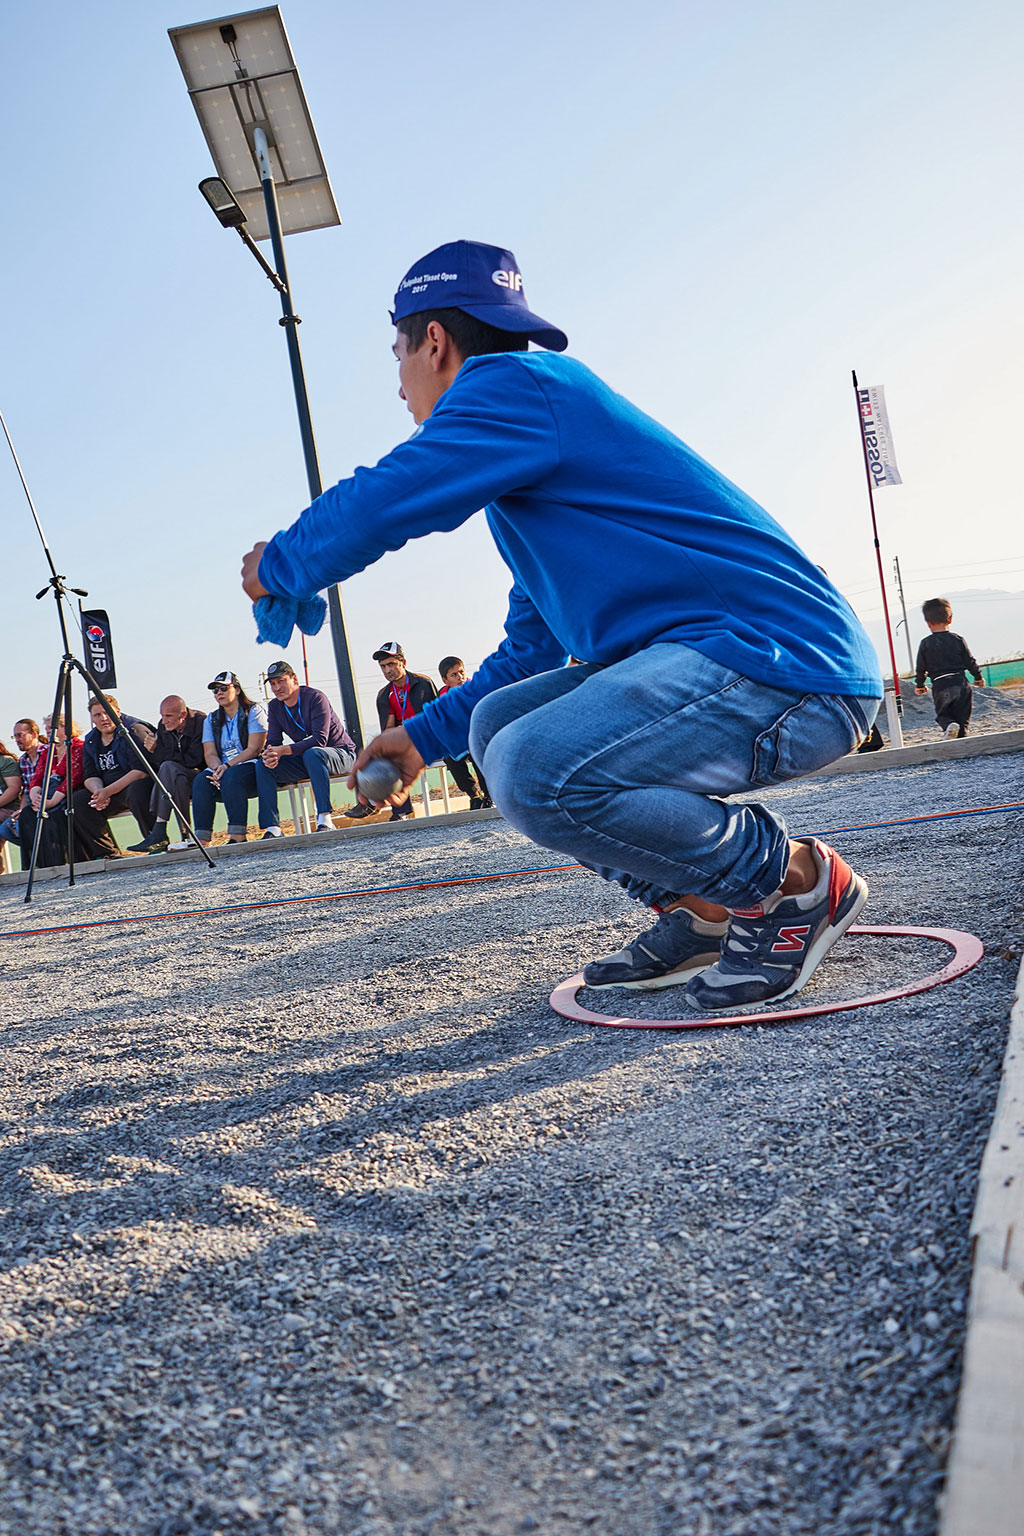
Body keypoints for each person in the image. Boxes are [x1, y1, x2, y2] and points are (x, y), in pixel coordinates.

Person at [242, 238, 882, 1012]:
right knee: (497, 726)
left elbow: (389, 497)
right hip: (736, 668)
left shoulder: (517, 384)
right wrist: (421, 738)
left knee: (534, 768)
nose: (399, 382)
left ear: (434, 342)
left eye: (397, 354)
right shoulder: (539, 466)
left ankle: (789, 883)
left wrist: (281, 565)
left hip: (784, 669)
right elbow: (529, 650)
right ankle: (705, 909)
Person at [257, 660, 356, 835]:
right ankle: (273, 827)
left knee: (313, 753)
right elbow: (273, 740)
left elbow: (320, 739)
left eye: (281, 681)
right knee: (262, 765)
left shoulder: (315, 697)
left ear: (294, 679)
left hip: (341, 754)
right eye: (272, 683)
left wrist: (283, 750)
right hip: (308, 758)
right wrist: (269, 755)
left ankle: (325, 819)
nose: (277, 687)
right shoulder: (274, 706)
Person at [71, 696, 156, 859]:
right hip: (108, 791)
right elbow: (89, 775)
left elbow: (141, 771)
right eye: (97, 715)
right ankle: (107, 853)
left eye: (107, 712)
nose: (103, 718)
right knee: (79, 801)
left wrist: (107, 791)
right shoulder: (91, 740)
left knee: (138, 790)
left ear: (117, 712)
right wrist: (98, 792)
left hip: (133, 785)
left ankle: (155, 842)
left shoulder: (133, 730)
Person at [190, 671, 267, 846]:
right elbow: (209, 753)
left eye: (224, 688)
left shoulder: (253, 711)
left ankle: (237, 836)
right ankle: (202, 840)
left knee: (232, 776)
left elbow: (254, 749)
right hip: (224, 768)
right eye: (215, 690)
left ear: (237, 690)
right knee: (201, 780)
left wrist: (227, 766)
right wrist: (218, 769)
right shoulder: (211, 719)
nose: (219, 693)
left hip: (250, 765)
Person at [128, 695, 207, 854]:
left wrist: (157, 750)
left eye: (168, 716)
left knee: (170, 768)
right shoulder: (163, 726)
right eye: (162, 716)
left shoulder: (200, 722)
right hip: (177, 778)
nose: (164, 721)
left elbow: (195, 759)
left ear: (183, 715)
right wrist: (155, 751)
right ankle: (185, 836)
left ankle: (159, 830)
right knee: (173, 775)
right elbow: (159, 762)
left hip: (201, 776)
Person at [18, 715, 85, 868]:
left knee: (54, 814)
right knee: (27, 814)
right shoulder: (48, 751)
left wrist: (51, 801)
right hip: (48, 794)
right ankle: (38, 865)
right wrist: (35, 797)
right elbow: (37, 777)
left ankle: (60, 861)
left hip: (68, 793)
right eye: (47, 728)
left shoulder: (77, 747)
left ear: (66, 728)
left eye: (52, 727)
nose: (48, 731)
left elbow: (73, 777)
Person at [914, 599, 984, 740]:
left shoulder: (926, 643)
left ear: (927, 622)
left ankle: (949, 725)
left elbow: (921, 667)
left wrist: (920, 685)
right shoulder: (957, 639)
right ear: (950, 618)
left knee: (943, 714)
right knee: (963, 717)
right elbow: (969, 660)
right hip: (960, 682)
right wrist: (977, 677)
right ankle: (962, 738)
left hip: (940, 684)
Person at [438, 655, 492, 808]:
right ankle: (473, 794)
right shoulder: (442, 694)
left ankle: (489, 795)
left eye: (461, 672)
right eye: (454, 675)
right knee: (449, 757)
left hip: (478, 736)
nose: (460, 677)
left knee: (477, 754)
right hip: (460, 740)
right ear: (445, 680)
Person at [0, 719, 46, 849]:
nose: (17, 740)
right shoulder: (23, 760)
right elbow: (26, 790)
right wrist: (22, 810)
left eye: (20, 735)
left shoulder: (48, 752)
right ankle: (39, 853)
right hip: (30, 806)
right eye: (14, 736)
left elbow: (15, 789)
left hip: (49, 802)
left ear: (34, 734)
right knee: (6, 830)